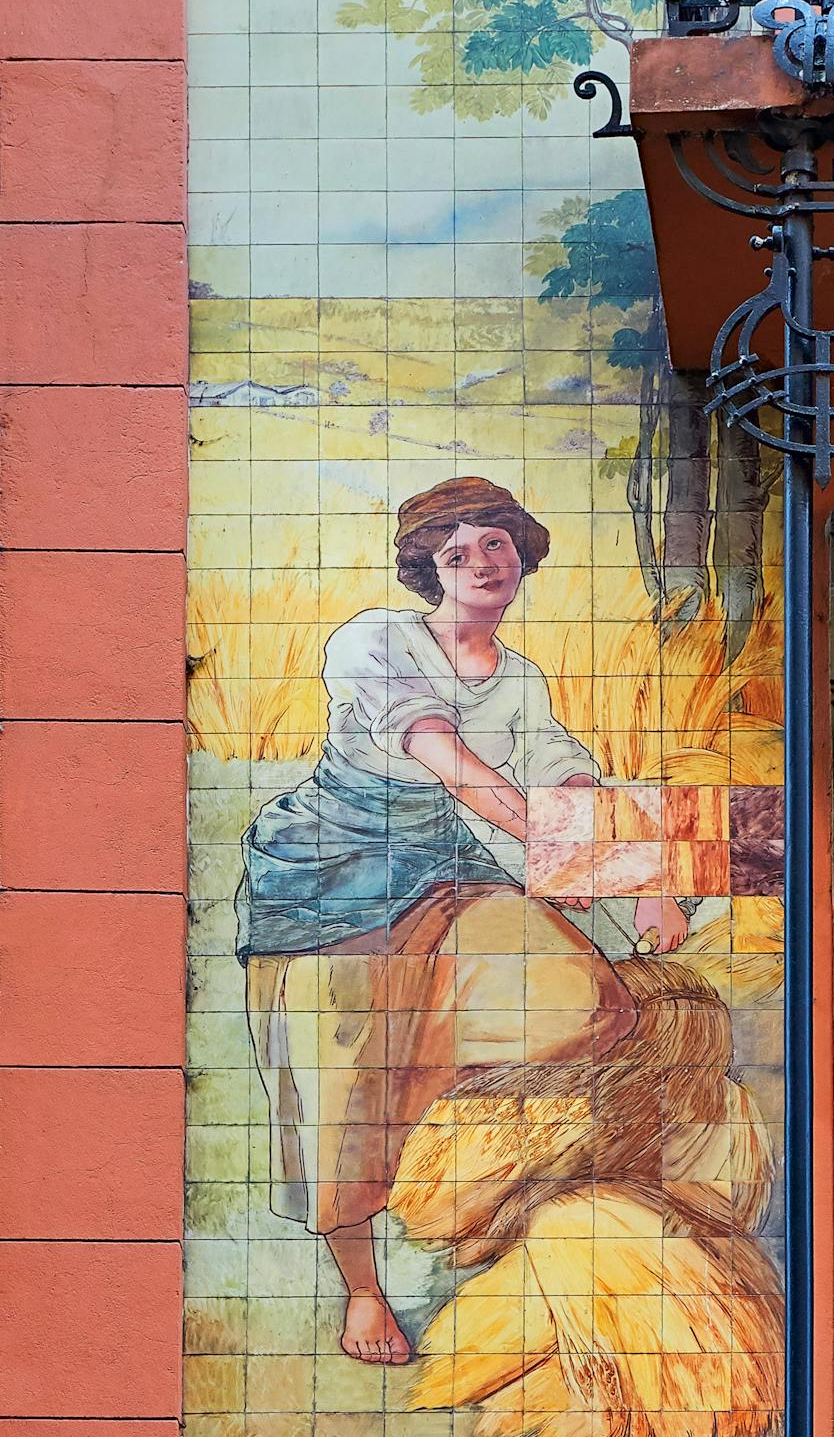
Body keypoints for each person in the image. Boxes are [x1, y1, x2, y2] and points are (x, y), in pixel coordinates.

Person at [236, 479, 688, 1365]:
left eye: (496, 545)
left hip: (445, 867)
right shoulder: (376, 639)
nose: (482, 564)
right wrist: (556, 849)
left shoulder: (520, 679)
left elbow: (564, 775)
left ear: (521, 555)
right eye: (457, 553)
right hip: (328, 883)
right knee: (343, 1100)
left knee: (583, 999)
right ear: (429, 570)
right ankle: (363, 1291)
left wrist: (647, 877)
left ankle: (454, 1155)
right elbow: (454, 764)